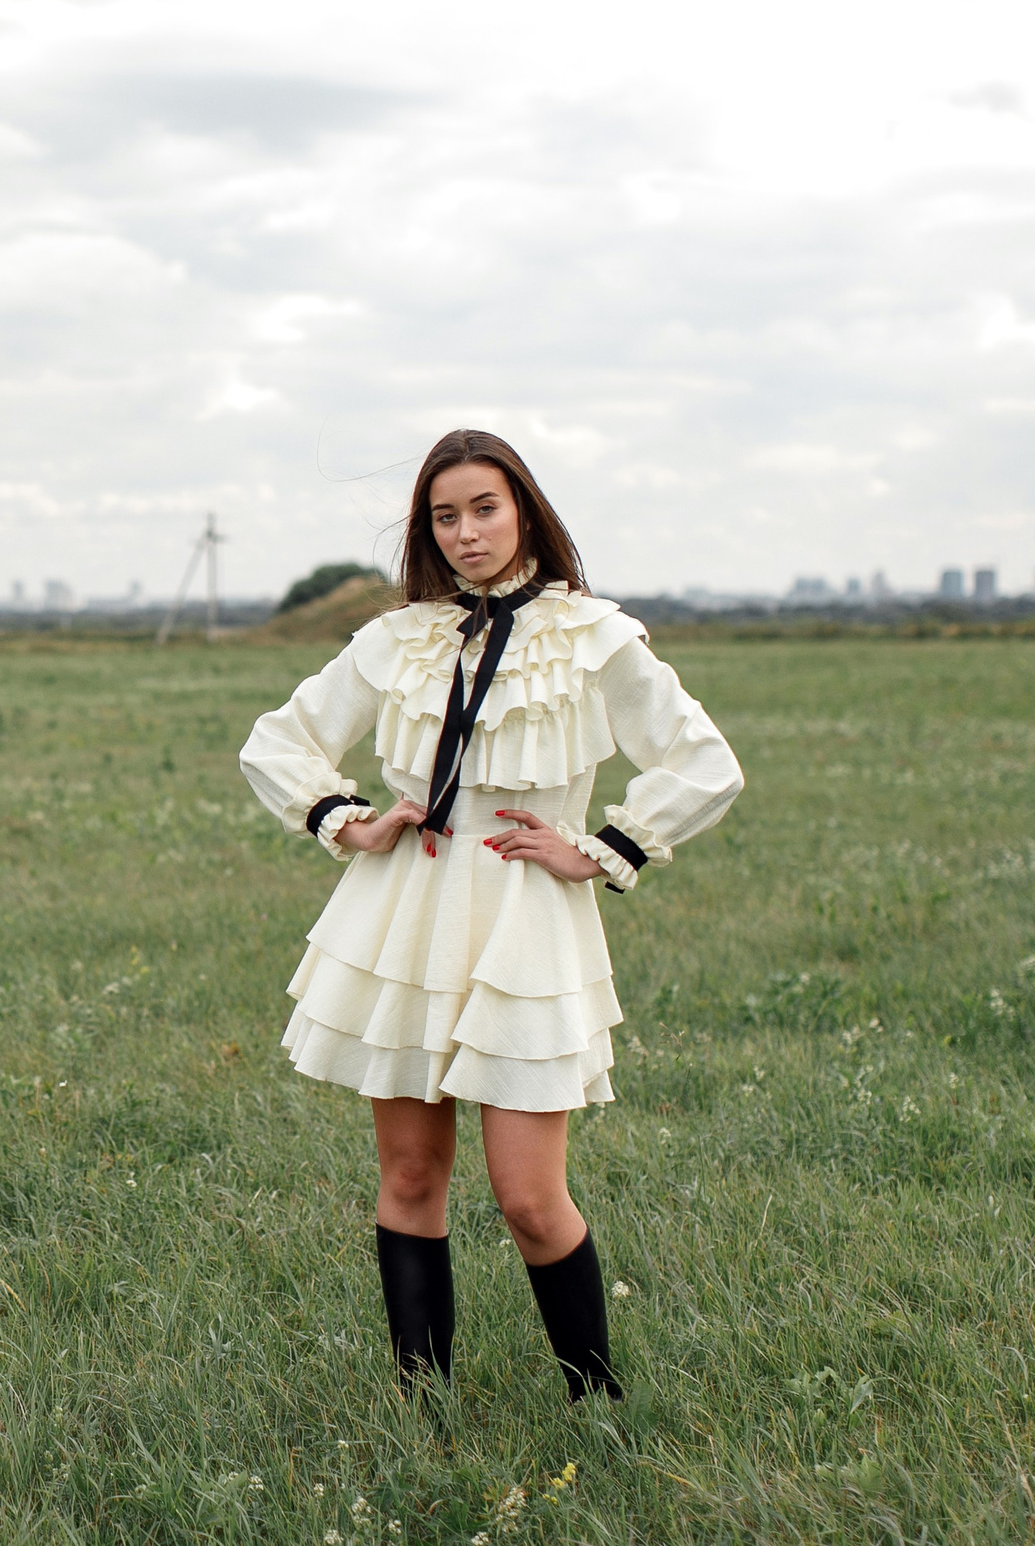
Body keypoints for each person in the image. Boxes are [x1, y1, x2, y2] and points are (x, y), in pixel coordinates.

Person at [239, 429, 743, 1400]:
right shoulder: (397, 638)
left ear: (524, 513)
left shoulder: (591, 635)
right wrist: (347, 820)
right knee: (411, 1181)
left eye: (484, 509)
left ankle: (596, 1406)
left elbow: (703, 762)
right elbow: (277, 742)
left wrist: (600, 848)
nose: (465, 533)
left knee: (527, 1197)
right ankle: (419, 1405)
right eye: (444, 516)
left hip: (525, 916)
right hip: (405, 912)